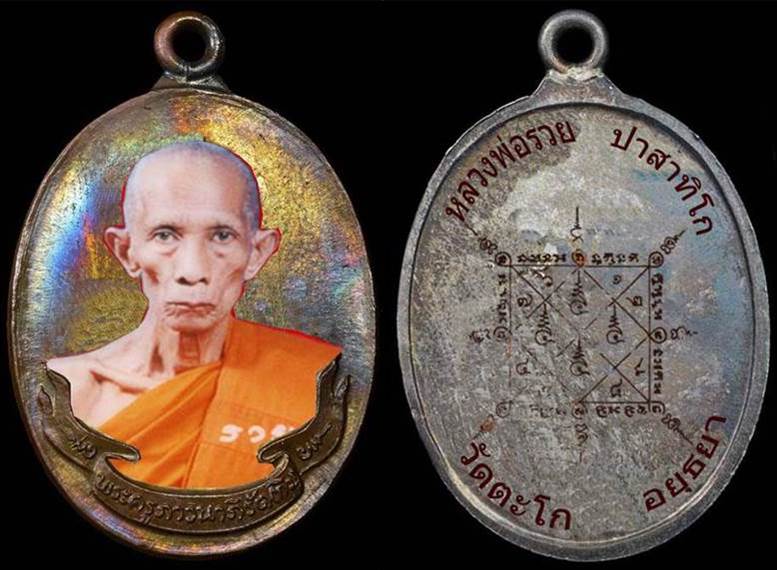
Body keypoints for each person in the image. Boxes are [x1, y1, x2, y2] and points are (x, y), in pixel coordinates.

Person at [46, 140, 341, 489]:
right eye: (165, 235)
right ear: (126, 252)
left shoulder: (315, 380)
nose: (192, 270)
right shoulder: (68, 393)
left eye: (222, 236)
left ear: (257, 253)